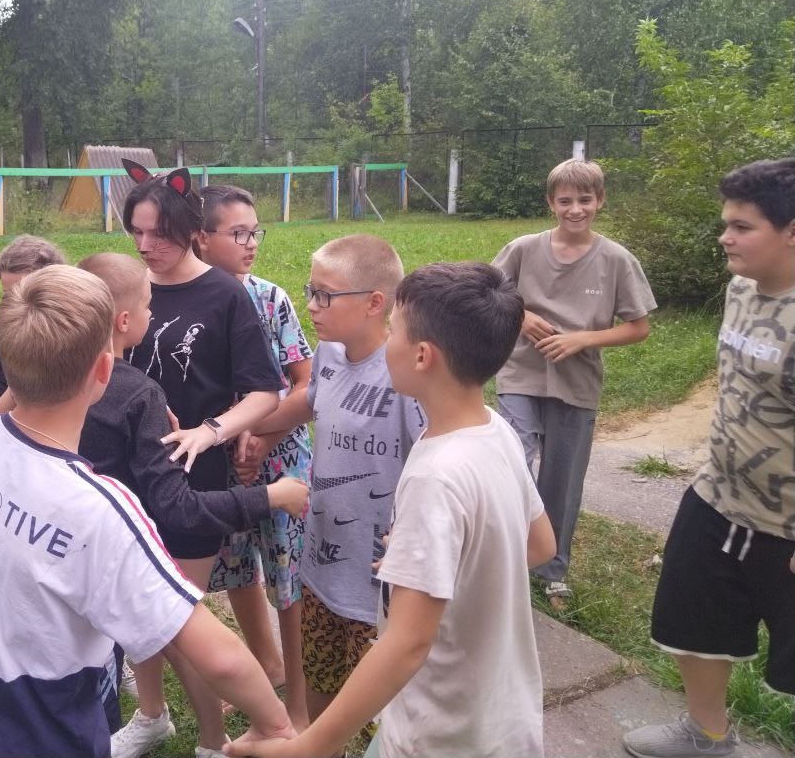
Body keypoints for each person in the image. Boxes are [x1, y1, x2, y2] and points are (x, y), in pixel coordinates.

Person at [0, 266, 296, 758]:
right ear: (104, 371)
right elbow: (218, 656)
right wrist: (276, 725)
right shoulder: (99, 511)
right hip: (45, 732)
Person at [229, 262, 556, 758]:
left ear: (422, 356)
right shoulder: (496, 431)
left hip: (435, 734)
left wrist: (307, 747)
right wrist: (430, 565)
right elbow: (540, 543)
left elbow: (406, 644)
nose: (388, 345)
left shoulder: (433, 478)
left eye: (396, 331)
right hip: (502, 718)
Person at [75, 252, 309, 740]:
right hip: (153, 526)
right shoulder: (138, 394)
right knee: (182, 632)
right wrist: (272, 495)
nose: (155, 312)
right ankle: (233, 736)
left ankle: (194, 732)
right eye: (148, 304)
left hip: (105, 544)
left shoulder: (71, 380)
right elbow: (179, 507)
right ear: (124, 321)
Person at [623, 158, 795, 758]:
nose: (725, 237)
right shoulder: (740, 290)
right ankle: (707, 735)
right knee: (692, 621)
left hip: (786, 526)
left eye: (742, 227)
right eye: (726, 224)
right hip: (716, 497)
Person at [115, 161, 280, 758]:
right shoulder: (128, 285)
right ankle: (152, 715)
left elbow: (264, 391)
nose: (145, 246)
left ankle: (215, 741)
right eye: (136, 231)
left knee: (177, 619)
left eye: (158, 233)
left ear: (190, 229)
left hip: (193, 477)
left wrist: (210, 433)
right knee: (132, 605)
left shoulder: (225, 294)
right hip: (123, 470)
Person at [246, 234, 425, 738]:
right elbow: (308, 404)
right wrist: (243, 428)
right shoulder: (328, 353)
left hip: (378, 589)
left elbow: (434, 462)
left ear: (375, 303)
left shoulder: (407, 376)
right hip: (321, 569)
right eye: (311, 291)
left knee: (373, 722)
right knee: (320, 697)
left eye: (325, 295)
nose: (311, 305)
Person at [493, 158, 656, 607]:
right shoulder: (523, 249)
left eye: (585, 199)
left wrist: (583, 339)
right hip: (520, 374)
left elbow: (638, 327)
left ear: (600, 201)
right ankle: (502, 558)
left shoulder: (616, 260)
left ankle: (551, 569)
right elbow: (488, 291)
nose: (576, 209)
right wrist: (520, 315)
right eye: (565, 201)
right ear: (551, 203)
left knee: (561, 480)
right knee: (512, 461)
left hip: (577, 383)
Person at [195, 185, 313, 726]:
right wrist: (231, 440)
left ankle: (300, 695)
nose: (251, 243)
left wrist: (262, 436)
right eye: (238, 233)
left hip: (282, 456)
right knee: (237, 563)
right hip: (219, 459)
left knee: (288, 573)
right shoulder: (192, 304)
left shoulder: (270, 298)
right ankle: (268, 662)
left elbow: (305, 384)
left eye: (254, 231)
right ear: (201, 238)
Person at [0, 236, 65, 411]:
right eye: (8, 294)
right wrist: (23, 381)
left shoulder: (85, 335)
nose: (15, 302)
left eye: (26, 291)